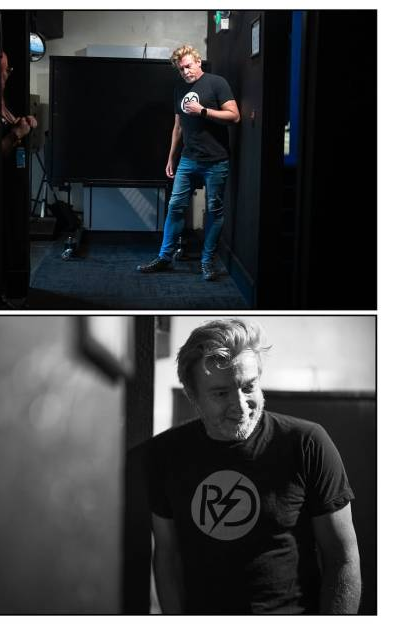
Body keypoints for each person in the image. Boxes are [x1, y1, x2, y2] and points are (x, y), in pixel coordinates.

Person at [147, 318, 361, 614]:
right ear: (193, 396)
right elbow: (167, 558)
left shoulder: (308, 443)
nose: (240, 404)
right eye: (221, 393)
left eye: (249, 387)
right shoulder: (164, 453)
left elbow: (342, 558)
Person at [137, 45, 240, 281]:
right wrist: (171, 156)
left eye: (187, 66)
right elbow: (178, 126)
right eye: (180, 69)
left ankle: (207, 262)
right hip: (188, 159)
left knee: (214, 210)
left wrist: (203, 111)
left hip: (216, 160)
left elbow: (234, 116)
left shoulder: (217, 83)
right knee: (175, 207)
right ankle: (165, 258)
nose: (185, 72)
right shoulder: (180, 88)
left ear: (198, 62)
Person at [0, 52, 37, 156]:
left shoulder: (5, 100)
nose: (7, 75)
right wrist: (16, 134)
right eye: (6, 70)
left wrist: (26, 124)